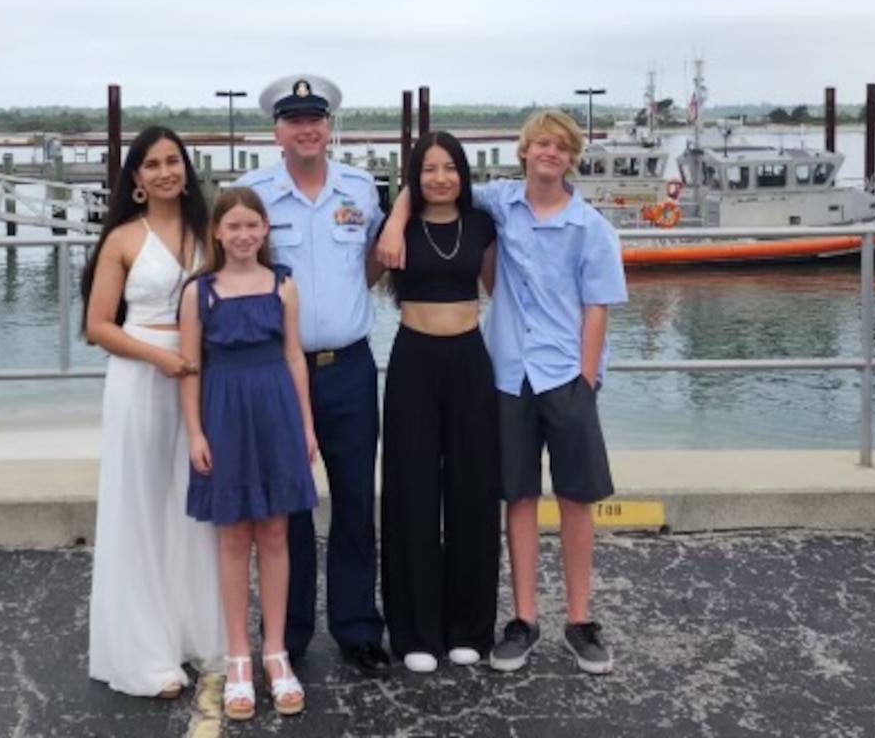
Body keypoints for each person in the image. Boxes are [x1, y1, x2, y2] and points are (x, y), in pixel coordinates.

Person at [378, 108, 627, 676]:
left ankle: (580, 620)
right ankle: (523, 620)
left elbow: (598, 311)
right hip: (509, 372)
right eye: (539, 144)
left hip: (565, 373)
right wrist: (395, 212)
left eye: (559, 147)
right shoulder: (499, 205)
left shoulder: (592, 229)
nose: (549, 154)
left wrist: (587, 382)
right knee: (515, 495)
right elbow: (430, 182)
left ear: (571, 157)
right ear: (522, 152)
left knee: (575, 498)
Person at [235, 75, 391, 675]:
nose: (307, 129)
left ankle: (356, 628)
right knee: (288, 505)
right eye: (294, 119)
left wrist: (342, 308)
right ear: (276, 131)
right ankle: (291, 631)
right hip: (277, 369)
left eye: (316, 119)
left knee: (355, 500)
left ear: (330, 127)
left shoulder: (359, 188)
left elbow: (373, 261)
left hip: (349, 366)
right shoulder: (252, 194)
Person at [79, 125, 225, 697]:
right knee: (139, 507)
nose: (165, 171)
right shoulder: (121, 239)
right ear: (136, 179)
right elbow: (97, 327)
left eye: (173, 161)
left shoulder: (205, 232)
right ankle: (142, 653)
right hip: (141, 379)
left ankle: (194, 633)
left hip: (199, 379)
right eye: (152, 164)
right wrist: (159, 360)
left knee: (190, 508)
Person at [179, 187, 319, 720]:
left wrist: (306, 424)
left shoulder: (283, 285)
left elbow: (294, 358)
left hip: (276, 412)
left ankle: (275, 652)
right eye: (232, 226)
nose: (242, 235)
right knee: (234, 534)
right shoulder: (200, 292)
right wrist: (195, 432)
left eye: (251, 226)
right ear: (217, 231)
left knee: (277, 532)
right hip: (223, 414)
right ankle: (238, 654)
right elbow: (189, 367)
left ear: (265, 231)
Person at [380, 131, 500, 674]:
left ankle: (469, 627)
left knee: (473, 493)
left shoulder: (481, 224)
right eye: (428, 169)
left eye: (449, 167)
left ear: (463, 173)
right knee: (412, 494)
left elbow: (500, 287)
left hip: (471, 360)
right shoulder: (398, 224)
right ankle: (415, 631)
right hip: (413, 362)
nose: (440, 178)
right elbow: (366, 276)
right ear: (415, 175)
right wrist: (398, 211)